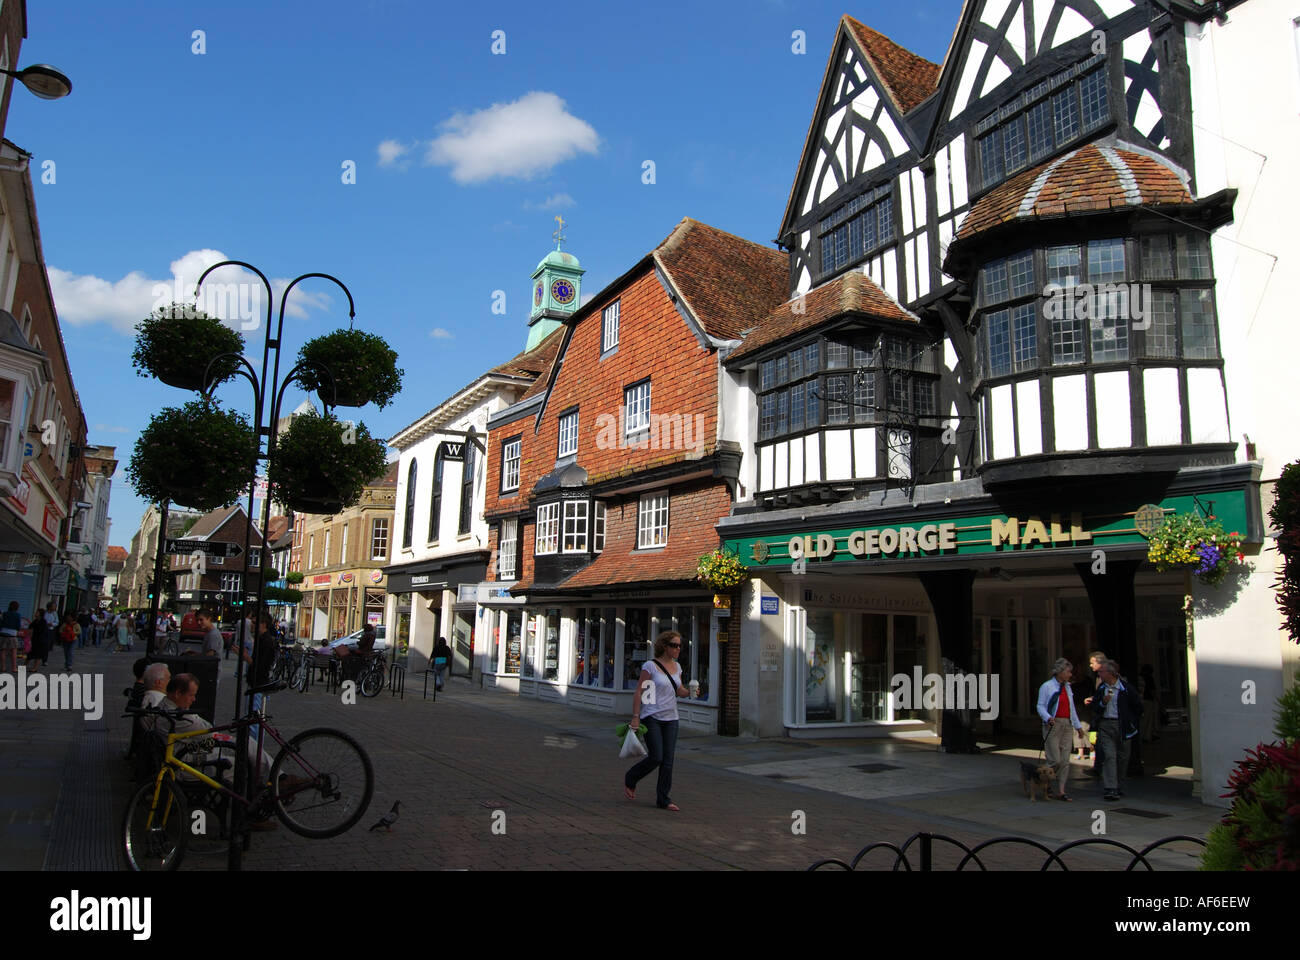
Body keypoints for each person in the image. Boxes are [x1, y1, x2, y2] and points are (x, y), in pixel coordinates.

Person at [624, 629, 696, 811]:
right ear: (664, 646)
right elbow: (639, 691)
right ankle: (631, 777)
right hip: (652, 716)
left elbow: (678, 690)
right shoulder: (651, 666)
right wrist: (635, 716)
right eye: (674, 645)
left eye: (680, 646)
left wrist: (690, 693)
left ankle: (663, 799)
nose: (678, 649)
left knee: (668, 761)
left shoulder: (677, 667)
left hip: (671, 718)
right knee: (656, 757)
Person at [1093, 659, 1143, 801]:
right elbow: (1095, 708)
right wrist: (1102, 702)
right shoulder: (1101, 689)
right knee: (1109, 756)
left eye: (1101, 671)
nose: (1099, 673)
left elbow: (1137, 706)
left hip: (1123, 726)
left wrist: (1132, 722)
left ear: (1110, 673)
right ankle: (1110, 788)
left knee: (1122, 757)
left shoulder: (1125, 688)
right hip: (1106, 725)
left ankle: (1118, 784)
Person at [1035, 658, 1083, 801]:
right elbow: (1040, 705)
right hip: (1053, 723)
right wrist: (1047, 717)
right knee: (1054, 759)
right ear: (1060, 672)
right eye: (1068, 672)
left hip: (1067, 724)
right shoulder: (1047, 686)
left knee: (1065, 760)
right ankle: (1045, 782)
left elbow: (1071, 707)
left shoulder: (1067, 687)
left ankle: (1061, 790)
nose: (1070, 675)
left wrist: (1078, 726)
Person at [1139, 664, 1160, 743]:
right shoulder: (1149, 678)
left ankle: (1142, 736)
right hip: (1148, 700)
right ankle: (1146, 736)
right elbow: (1152, 691)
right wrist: (1158, 701)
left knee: (1142, 720)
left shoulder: (1139, 678)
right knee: (1148, 719)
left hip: (1140, 700)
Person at [0, 600, 21, 673]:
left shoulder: (5, 613)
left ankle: (3, 667)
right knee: (14, 651)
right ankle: (14, 668)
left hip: (3, 633)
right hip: (12, 634)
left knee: (3, 651)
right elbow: (18, 626)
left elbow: (1, 622)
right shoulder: (17, 615)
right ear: (17, 607)